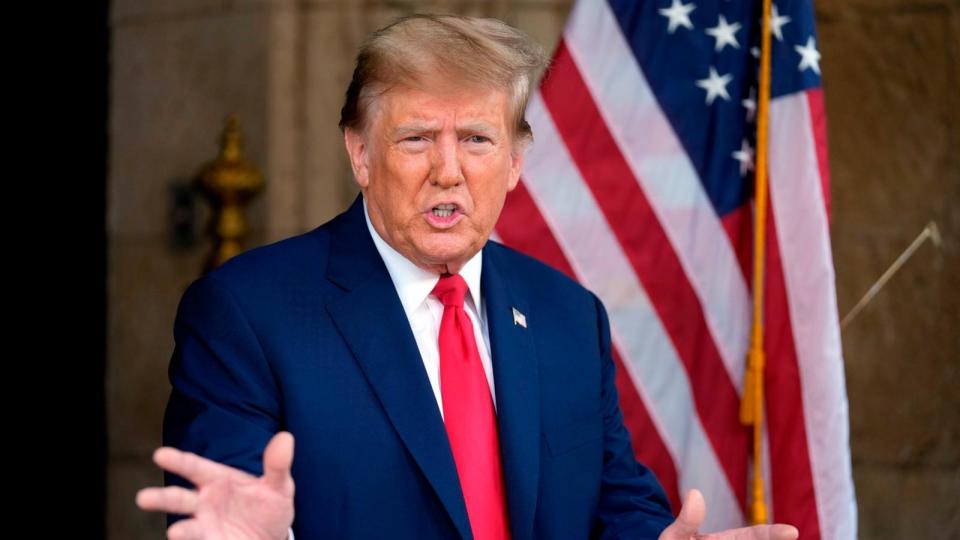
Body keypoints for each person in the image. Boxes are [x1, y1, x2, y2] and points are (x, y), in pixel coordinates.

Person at [136, 13, 799, 540]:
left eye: (477, 140)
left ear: (513, 162)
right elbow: (228, 509)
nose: (448, 170)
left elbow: (609, 504)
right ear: (361, 153)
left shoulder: (569, 315)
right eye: (417, 138)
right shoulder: (246, 312)